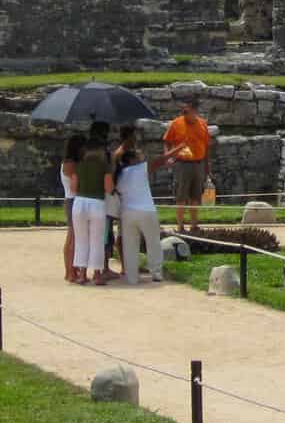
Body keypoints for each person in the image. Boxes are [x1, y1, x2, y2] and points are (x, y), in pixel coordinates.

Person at [108, 125, 163, 285]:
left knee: (129, 244)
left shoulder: (121, 171)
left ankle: (131, 275)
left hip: (127, 211)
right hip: (145, 210)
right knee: (152, 242)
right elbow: (160, 161)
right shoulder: (133, 164)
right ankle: (156, 272)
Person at [156, 96, 211, 234]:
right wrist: (168, 156)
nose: (184, 114)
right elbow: (167, 142)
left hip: (198, 164)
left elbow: (206, 147)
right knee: (181, 197)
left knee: (195, 197)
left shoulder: (203, 124)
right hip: (182, 164)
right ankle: (180, 227)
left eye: (187, 111)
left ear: (195, 111)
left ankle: (194, 226)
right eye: (183, 111)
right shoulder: (176, 123)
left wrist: (207, 167)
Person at [69, 123, 111, 285]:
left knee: (81, 239)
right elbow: (108, 187)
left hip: (79, 202)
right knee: (97, 240)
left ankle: (81, 274)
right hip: (97, 202)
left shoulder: (79, 165)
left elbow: (73, 187)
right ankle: (98, 274)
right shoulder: (104, 166)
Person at [59, 136, 79, 283]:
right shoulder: (70, 164)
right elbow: (75, 186)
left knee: (73, 237)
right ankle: (70, 271)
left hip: (71, 199)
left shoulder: (68, 163)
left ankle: (71, 269)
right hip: (73, 199)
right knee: (72, 237)